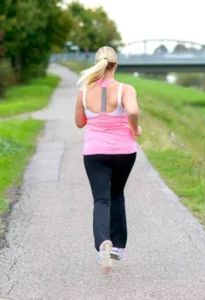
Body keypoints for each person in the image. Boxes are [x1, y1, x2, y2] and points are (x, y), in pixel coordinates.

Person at [75, 46, 142, 273]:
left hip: (94, 153)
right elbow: (132, 112)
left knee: (101, 200)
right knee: (117, 194)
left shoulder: (84, 91)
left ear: (97, 64)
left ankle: (103, 243)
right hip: (124, 152)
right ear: (116, 65)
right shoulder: (125, 89)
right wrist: (136, 128)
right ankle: (118, 247)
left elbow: (80, 122)